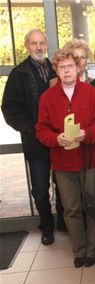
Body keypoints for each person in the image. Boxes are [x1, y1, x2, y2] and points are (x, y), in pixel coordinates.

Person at [36, 48, 95, 268]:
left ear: (78, 68)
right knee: (71, 208)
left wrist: (88, 134)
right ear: (56, 70)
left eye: (70, 66)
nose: (66, 70)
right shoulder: (47, 97)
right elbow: (41, 130)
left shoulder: (91, 93)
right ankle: (80, 249)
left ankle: (93, 249)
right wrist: (57, 139)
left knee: (93, 205)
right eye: (62, 67)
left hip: (90, 158)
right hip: (63, 161)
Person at [2, 28, 64, 245]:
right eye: (34, 43)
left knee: (63, 185)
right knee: (40, 189)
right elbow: (9, 109)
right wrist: (30, 130)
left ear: (46, 45)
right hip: (36, 143)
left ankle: (63, 223)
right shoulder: (19, 74)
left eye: (42, 43)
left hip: (59, 142)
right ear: (27, 46)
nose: (38, 47)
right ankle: (46, 226)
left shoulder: (57, 70)